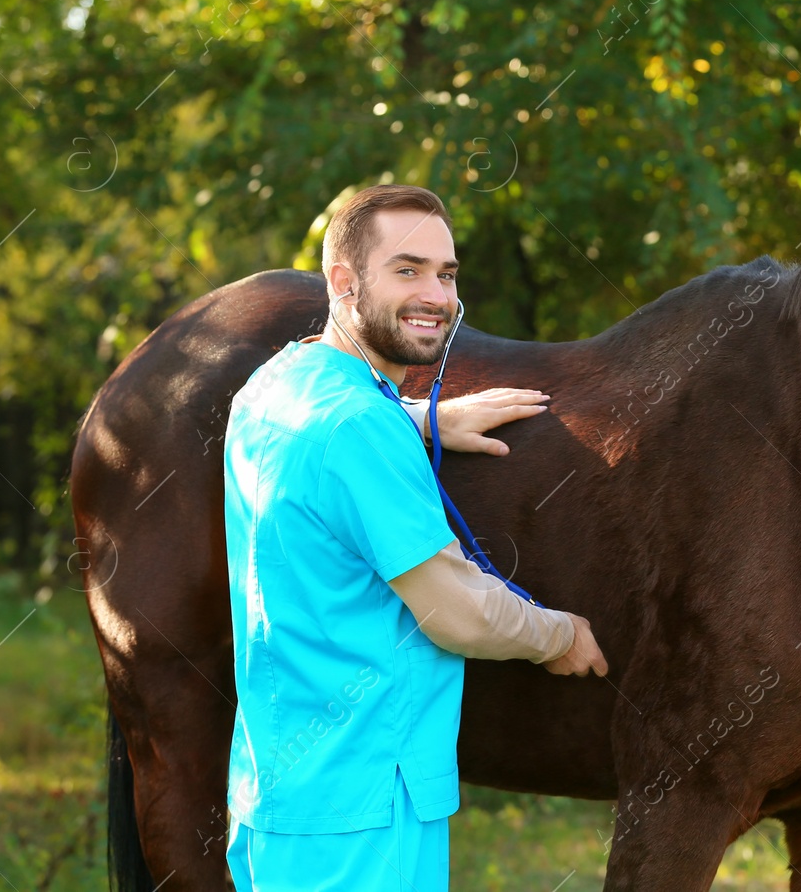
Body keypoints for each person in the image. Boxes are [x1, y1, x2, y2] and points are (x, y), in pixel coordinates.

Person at [223, 183, 607, 891]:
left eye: (447, 273)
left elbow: (325, 445)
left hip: (274, 800)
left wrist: (421, 419)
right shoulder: (361, 431)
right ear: (343, 282)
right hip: (366, 812)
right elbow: (457, 612)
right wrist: (560, 634)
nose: (437, 294)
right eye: (407, 270)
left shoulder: (273, 385)